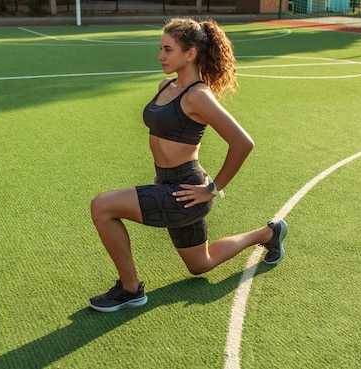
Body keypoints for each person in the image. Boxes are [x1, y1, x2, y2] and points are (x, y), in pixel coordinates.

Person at [88, 17, 288, 313]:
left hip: (186, 190)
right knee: (200, 263)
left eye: (168, 50)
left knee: (102, 206)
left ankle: (130, 289)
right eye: (161, 48)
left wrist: (213, 188)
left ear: (190, 54)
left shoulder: (198, 95)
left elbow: (243, 143)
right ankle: (268, 234)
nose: (160, 56)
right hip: (167, 182)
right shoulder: (166, 84)